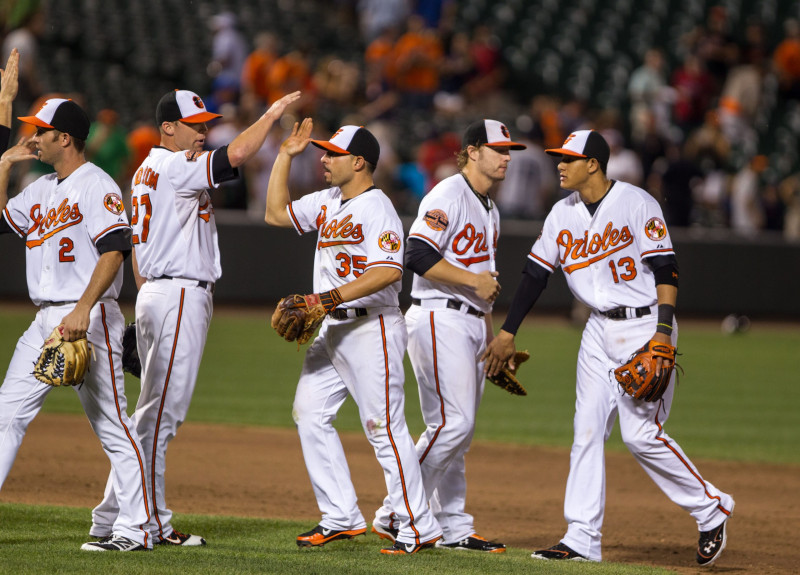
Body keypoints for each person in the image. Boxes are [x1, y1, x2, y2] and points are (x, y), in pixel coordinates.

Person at [482, 130, 735, 567]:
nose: (560, 165)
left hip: (646, 326)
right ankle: (581, 537)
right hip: (597, 331)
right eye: (559, 158)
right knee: (586, 431)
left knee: (641, 436)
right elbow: (535, 274)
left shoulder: (636, 203)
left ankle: (711, 508)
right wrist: (508, 331)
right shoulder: (562, 213)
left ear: (593, 164)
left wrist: (662, 332)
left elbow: (666, 268)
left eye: (568, 159)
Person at [87, 88, 301, 547]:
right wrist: (270, 115)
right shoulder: (173, 166)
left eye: (206, 124)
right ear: (168, 127)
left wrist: (149, 300)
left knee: (151, 414)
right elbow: (236, 154)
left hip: (160, 292)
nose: (203, 132)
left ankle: (115, 517)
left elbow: (138, 247)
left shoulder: (145, 171)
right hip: (178, 294)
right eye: (195, 125)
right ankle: (139, 527)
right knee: (159, 419)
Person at [264, 121, 442, 555]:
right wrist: (284, 155)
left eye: (333, 154)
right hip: (332, 327)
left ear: (359, 162)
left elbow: (389, 272)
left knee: (384, 428)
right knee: (310, 413)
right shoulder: (328, 200)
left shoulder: (377, 207)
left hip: (371, 326)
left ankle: (418, 526)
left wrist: (326, 298)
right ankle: (341, 516)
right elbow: (275, 213)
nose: (323, 159)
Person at [0, 83, 153, 550]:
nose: (34, 138)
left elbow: (115, 250)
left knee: (112, 425)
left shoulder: (97, 185)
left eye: (41, 131)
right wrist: (4, 164)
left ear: (64, 138)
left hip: (90, 317)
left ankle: (136, 529)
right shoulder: (39, 188)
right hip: (45, 320)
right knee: (6, 415)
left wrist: (84, 307)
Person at [372, 119, 525, 552]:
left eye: (509, 151)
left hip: (472, 323)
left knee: (460, 433)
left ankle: (453, 525)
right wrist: (473, 282)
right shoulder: (448, 194)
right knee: (452, 424)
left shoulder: (490, 208)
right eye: (498, 149)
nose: (507, 157)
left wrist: (492, 339)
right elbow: (416, 253)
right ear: (472, 151)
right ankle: (397, 511)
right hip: (438, 317)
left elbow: (484, 286)